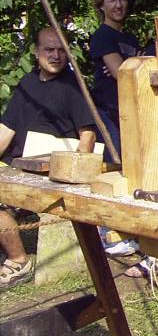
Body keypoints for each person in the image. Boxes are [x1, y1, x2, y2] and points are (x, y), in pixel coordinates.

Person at [0, 27, 97, 288]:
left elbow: (87, 135)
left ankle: (19, 261)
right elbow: (6, 129)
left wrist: (75, 175)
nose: (56, 55)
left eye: (61, 50)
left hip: (50, 173)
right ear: (36, 52)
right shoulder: (27, 84)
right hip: (17, 166)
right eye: (49, 49)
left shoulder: (72, 87)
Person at [88, 0, 138, 163]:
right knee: (115, 162)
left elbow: (134, 70)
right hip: (108, 111)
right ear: (101, 6)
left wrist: (127, 64)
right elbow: (120, 74)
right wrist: (130, 65)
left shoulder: (131, 39)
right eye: (112, 0)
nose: (118, 5)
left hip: (130, 109)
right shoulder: (102, 36)